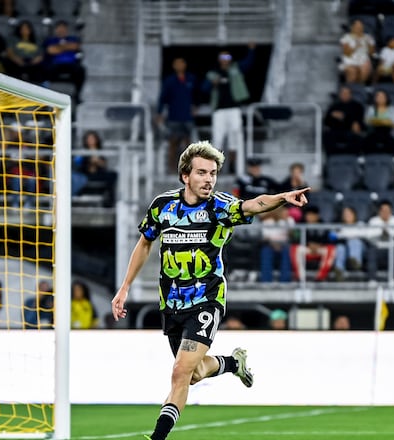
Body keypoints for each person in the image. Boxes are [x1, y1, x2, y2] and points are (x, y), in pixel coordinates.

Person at [111, 140, 311, 440]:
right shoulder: (163, 206)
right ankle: (232, 363)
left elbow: (253, 205)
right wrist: (124, 287)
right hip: (172, 302)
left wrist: (282, 197)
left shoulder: (220, 206)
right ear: (185, 176)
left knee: (179, 373)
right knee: (190, 374)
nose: (209, 179)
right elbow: (145, 243)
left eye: (213, 173)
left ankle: (157, 438)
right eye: (202, 172)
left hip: (207, 299)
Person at [203, 45, 256, 171]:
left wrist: (251, 50)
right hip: (219, 111)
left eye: (228, 56)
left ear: (231, 58)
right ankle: (215, 166)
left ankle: (233, 165)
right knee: (217, 139)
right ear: (219, 58)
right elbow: (203, 89)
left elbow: (249, 63)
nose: (225, 59)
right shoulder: (213, 73)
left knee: (235, 136)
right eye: (223, 56)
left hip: (234, 109)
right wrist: (212, 83)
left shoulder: (236, 68)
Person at [157, 57, 198, 171]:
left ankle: (188, 168)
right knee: (173, 143)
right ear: (174, 66)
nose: (179, 65)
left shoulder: (191, 79)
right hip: (174, 116)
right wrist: (159, 113)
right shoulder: (169, 81)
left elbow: (197, 95)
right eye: (177, 64)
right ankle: (171, 167)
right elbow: (162, 98)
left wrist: (196, 106)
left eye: (182, 63)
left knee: (188, 144)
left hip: (187, 117)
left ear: (185, 65)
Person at [290, 205, 336, 282]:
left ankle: (320, 277)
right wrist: (308, 244)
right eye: (308, 215)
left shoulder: (323, 225)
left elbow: (330, 239)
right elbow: (295, 239)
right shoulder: (301, 224)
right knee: (294, 248)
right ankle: (300, 277)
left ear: (317, 216)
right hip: (306, 249)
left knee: (331, 249)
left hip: (319, 250)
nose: (309, 217)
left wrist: (319, 245)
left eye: (312, 215)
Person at [43, 20, 86, 102]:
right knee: (44, 69)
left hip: (71, 64)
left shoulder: (72, 38)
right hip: (56, 64)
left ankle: (77, 95)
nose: (61, 30)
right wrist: (67, 46)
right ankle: (45, 95)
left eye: (63, 28)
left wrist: (59, 48)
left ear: (66, 30)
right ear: (56, 30)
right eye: (59, 28)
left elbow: (75, 46)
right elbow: (50, 50)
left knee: (81, 70)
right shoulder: (51, 40)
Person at [366, 200, 394, 283]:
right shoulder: (374, 221)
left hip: (393, 247)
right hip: (378, 248)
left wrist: (390, 232)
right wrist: (381, 232)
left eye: (387, 210)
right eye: (383, 210)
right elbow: (368, 236)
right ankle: (372, 280)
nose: (385, 213)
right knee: (371, 252)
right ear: (379, 211)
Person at [323, 85, 365, 155]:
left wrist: (343, 117)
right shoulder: (334, 106)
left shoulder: (357, 106)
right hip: (336, 130)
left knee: (356, 136)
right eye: (342, 93)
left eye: (346, 93)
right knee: (327, 136)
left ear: (351, 95)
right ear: (339, 95)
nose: (344, 95)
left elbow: (358, 120)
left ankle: (354, 156)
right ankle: (331, 156)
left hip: (350, 130)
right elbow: (327, 121)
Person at [259, 206, 293, 283]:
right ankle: (266, 281)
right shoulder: (267, 221)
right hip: (270, 244)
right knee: (266, 252)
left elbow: (291, 236)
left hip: (284, 245)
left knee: (287, 253)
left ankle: (285, 281)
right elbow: (266, 236)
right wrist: (274, 244)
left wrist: (286, 222)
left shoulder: (289, 220)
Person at [332, 206, 368, 281]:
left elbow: (365, 235)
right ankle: (339, 271)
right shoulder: (339, 226)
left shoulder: (360, 224)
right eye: (345, 214)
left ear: (354, 214)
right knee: (340, 248)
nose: (347, 216)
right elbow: (332, 236)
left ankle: (355, 262)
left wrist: (344, 235)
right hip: (346, 251)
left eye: (349, 214)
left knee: (354, 242)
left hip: (360, 250)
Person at [363, 89, 394, 155]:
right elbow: (367, 121)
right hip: (374, 132)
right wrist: (384, 121)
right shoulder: (372, 108)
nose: (380, 98)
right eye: (378, 97)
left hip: (388, 133)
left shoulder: (392, 109)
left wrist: (376, 121)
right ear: (375, 98)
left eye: (382, 97)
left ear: (386, 98)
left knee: (393, 143)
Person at [339, 19, 375, 84]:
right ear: (352, 27)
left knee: (365, 66)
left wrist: (369, 45)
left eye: (361, 27)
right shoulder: (346, 38)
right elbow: (346, 53)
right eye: (357, 26)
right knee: (353, 71)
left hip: (363, 60)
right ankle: (350, 87)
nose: (359, 28)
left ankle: (359, 86)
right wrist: (356, 47)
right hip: (350, 60)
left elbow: (371, 53)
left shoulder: (368, 37)